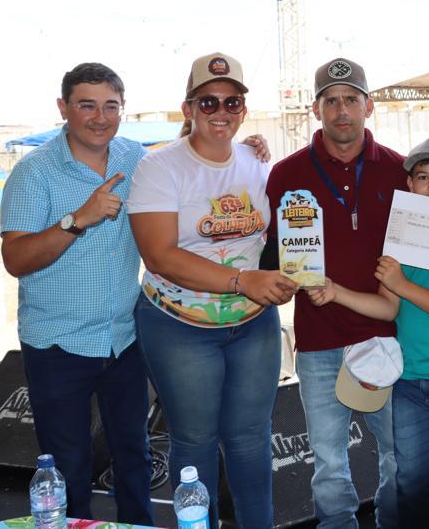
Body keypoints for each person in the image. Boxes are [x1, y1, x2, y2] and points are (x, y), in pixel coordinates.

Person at [129, 53, 297, 529]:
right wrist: (243, 281)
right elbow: (159, 255)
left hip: (253, 324)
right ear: (188, 109)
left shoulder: (256, 162)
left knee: (251, 440)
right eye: (208, 101)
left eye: (232, 102)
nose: (221, 111)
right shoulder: (160, 167)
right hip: (180, 326)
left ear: (244, 110)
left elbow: (281, 231)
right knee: (195, 441)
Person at [308, 137, 429, 529]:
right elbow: (388, 306)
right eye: (423, 177)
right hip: (409, 382)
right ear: (409, 185)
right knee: (411, 481)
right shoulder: (398, 240)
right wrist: (336, 292)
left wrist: (403, 284)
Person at [0, 63, 155, 525]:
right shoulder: (34, 172)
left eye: (111, 106)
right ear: (63, 107)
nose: (100, 118)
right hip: (57, 344)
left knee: (135, 457)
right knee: (68, 470)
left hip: (122, 338)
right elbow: (16, 258)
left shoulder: (136, 158)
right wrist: (76, 220)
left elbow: (190, 161)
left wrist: (244, 147)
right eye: (87, 105)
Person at [261, 58, 405, 529]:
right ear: (316, 109)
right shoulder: (285, 173)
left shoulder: (400, 170)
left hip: (385, 337)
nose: (342, 110)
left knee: (399, 456)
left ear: (369, 105)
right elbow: (270, 255)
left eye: (351, 100)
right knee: (327, 463)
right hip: (319, 341)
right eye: (331, 101)